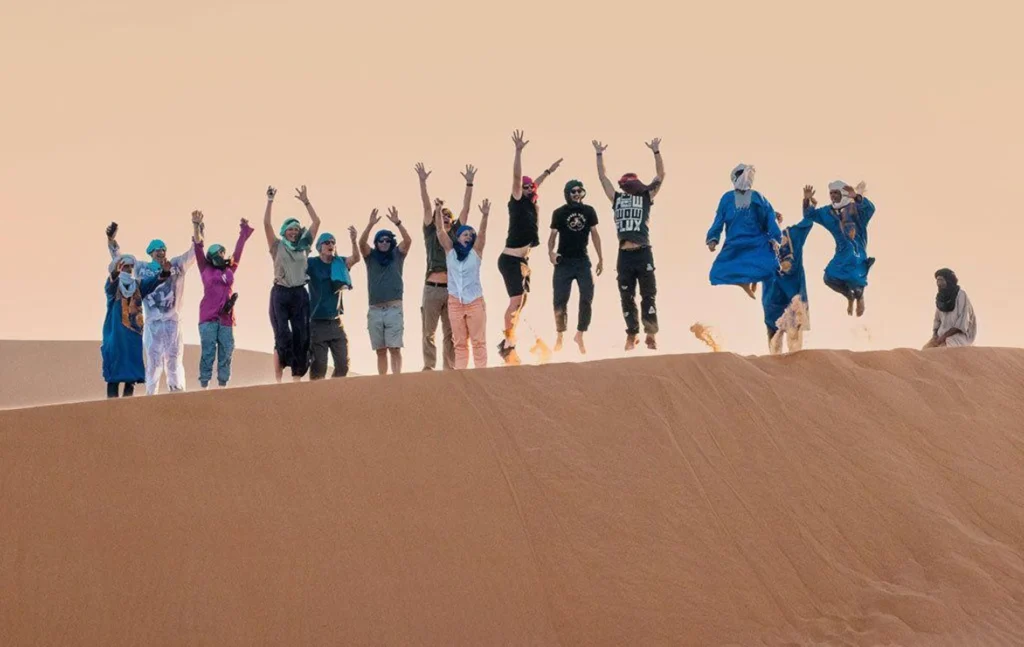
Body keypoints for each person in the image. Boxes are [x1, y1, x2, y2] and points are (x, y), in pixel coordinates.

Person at [106, 220, 196, 395]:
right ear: (151, 253)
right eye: (157, 250)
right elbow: (120, 259)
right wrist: (111, 241)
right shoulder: (142, 269)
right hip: (152, 323)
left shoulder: (176, 265)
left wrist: (198, 231)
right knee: (153, 362)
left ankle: (177, 394)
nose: (161, 252)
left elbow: (193, 254)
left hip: (172, 322)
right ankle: (151, 396)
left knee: (174, 360)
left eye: (163, 249)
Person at [593, 137, 666, 351]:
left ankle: (650, 334)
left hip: (643, 252)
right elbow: (602, 178)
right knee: (626, 296)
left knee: (648, 294)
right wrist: (599, 155)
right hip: (624, 254)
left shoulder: (645, 197)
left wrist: (656, 152)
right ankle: (632, 333)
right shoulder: (617, 199)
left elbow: (660, 176)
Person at [497, 129, 563, 364]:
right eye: (525, 188)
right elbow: (518, 179)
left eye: (529, 188)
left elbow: (535, 184)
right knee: (516, 301)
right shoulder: (516, 201)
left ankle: (511, 339)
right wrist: (518, 151)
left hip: (524, 261)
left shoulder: (530, 200)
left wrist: (548, 171)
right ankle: (507, 344)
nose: (527, 189)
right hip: (511, 259)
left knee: (522, 301)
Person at [416, 162, 475, 371]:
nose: (446, 218)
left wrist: (469, 184)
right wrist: (423, 182)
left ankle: (449, 369)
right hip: (432, 288)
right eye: (442, 215)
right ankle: (429, 367)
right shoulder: (432, 232)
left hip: (451, 290)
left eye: (448, 216)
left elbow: (466, 210)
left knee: (451, 333)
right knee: (428, 331)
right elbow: (425, 207)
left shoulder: (456, 235)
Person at [264, 184, 321, 382]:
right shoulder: (277, 246)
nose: (294, 232)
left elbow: (316, 222)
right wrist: (270, 201)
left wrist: (306, 201)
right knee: (281, 334)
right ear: (285, 231)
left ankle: (296, 377)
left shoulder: (304, 246)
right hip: (280, 292)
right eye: (291, 229)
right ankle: (278, 378)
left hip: (299, 293)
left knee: (301, 335)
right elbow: (266, 225)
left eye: (297, 229)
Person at [194, 211, 255, 388]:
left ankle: (223, 387)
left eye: (223, 252)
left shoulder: (229, 269)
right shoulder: (205, 268)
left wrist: (243, 231)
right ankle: (204, 386)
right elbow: (198, 246)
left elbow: (239, 250)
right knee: (208, 352)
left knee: (227, 351)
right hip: (208, 318)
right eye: (219, 252)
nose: (222, 254)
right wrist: (196, 225)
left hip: (226, 318)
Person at [706, 164, 783, 299]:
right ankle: (744, 282)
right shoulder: (727, 198)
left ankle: (752, 280)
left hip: (756, 241)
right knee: (718, 271)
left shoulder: (757, 197)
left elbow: (768, 216)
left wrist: (776, 236)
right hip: (735, 243)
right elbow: (719, 219)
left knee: (771, 267)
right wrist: (713, 238)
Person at [802, 181, 876, 316]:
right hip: (841, 253)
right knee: (828, 278)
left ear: (843, 194)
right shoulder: (828, 212)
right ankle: (849, 296)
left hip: (857, 251)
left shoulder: (856, 209)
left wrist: (856, 197)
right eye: (831, 193)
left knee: (855, 277)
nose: (833, 196)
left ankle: (859, 296)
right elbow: (809, 215)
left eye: (836, 193)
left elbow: (870, 209)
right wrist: (807, 200)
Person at [101, 253, 170, 398]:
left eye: (131, 267)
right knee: (114, 374)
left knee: (131, 376)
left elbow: (154, 282)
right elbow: (110, 285)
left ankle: (128, 410)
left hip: (133, 337)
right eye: (125, 266)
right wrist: (115, 272)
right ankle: (110, 410)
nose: (129, 269)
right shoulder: (113, 288)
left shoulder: (137, 285)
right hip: (116, 336)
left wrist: (164, 272)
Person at [548, 179, 604, 354]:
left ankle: (580, 334)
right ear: (567, 194)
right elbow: (552, 237)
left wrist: (601, 258)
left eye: (580, 191)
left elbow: (595, 234)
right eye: (573, 191)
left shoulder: (589, 211)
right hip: (563, 262)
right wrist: (551, 253)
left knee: (587, 296)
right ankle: (560, 334)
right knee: (560, 300)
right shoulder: (559, 213)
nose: (577, 194)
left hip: (582, 261)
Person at [434, 198, 492, 369]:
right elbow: (439, 231)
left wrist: (485, 216)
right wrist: (438, 210)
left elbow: (482, 235)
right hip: (455, 303)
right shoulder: (450, 252)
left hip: (474, 301)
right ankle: (462, 377)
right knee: (459, 344)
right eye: (465, 234)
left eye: (470, 235)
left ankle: (481, 375)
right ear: (457, 237)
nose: (468, 236)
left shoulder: (476, 253)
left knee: (478, 342)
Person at [359, 206, 411, 375]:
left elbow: (408, 241)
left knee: (394, 348)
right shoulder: (370, 256)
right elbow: (361, 244)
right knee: (380, 350)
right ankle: (383, 383)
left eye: (387, 240)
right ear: (376, 242)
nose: (384, 243)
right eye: (380, 240)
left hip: (394, 308)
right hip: (375, 310)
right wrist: (369, 225)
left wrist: (398, 223)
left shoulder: (397, 254)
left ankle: (397, 381)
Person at [307, 227, 360, 380]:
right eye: (327, 242)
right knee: (319, 368)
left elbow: (355, 258)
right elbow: (297, 264)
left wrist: (354, 241)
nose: (331, 245)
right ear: (319, 247)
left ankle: (333, 394)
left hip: (336, 323)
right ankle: (316, 399)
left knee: (343, 366)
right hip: (317, 323)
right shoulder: (312, 263)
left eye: (333, 242)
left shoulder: (339, 263)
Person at [762, 213, 814, 354]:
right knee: (772, 329)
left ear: (779, 221)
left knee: (794, 331)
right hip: (771, 296)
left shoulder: (791, 236)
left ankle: (796, 366)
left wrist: (807, 205)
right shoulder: (761, 243)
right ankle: (773, 364)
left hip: (793, 294)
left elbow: (807, 222)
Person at [923, 268, 977, 349]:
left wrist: (943, 337)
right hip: (941, 337)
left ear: (948, 280)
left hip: (960, 336)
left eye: (941, 280)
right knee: (926, 349)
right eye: (937, 281)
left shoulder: (961, 295)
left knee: (944, 348)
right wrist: (935, 337)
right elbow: (937, 321)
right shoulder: (940, 299)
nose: (939, 283)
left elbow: (962, 324)